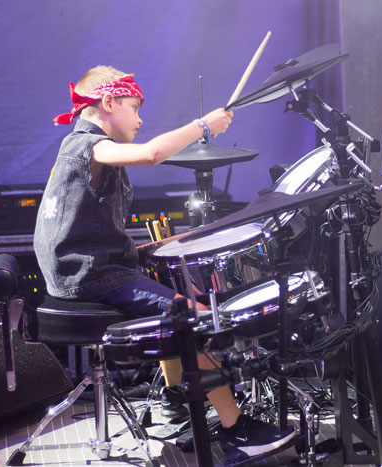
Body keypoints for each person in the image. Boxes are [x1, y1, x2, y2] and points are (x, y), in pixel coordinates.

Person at [33, 66, 294, 460]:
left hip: (88, 269)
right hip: (87, 277)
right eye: (134, 108)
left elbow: (90, 230)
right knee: (192, 314)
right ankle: (235, 429)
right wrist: (203, 125)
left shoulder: (85, 151)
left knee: (169, 295)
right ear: (108, 103)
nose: (140, 119)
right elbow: (152, 154)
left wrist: (142, 253)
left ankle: (174, 404)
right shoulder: (88, 144)